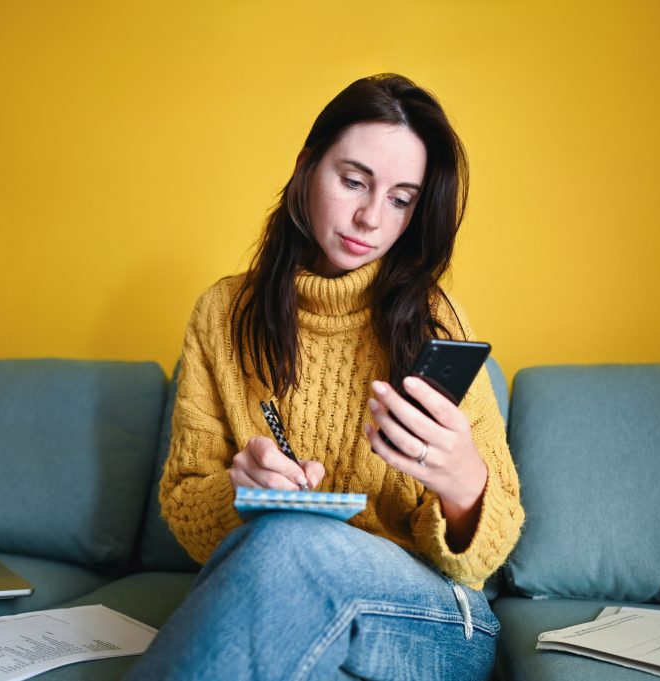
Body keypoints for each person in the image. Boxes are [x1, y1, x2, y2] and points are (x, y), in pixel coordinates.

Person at [126, 73, 524, 681]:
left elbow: (483, 561)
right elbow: (185, 503)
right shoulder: (221, 315)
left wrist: (462, 480)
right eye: (354, 181)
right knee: (284, 545)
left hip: (433, 619)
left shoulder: (436, 321)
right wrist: (243, 491)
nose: (370, 217)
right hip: (283, 592)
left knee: (289, 541)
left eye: (400, 199)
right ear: (307, 167)